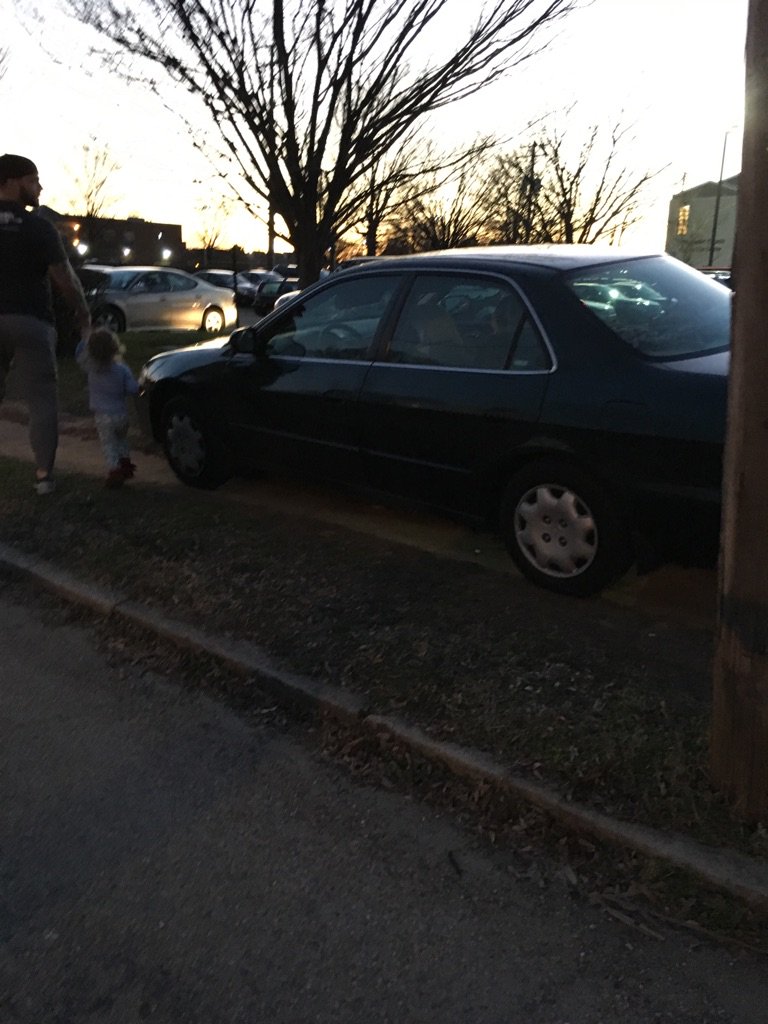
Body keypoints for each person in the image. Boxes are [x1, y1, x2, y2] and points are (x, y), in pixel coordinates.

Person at [0, 153, 91, 494]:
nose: (39, 187)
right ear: (10, 182)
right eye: (33, 180)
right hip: (31, 322)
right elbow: (63, 277)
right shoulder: (38, 227)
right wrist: (83, 314)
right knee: (41, 400)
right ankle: (43, 477)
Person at [75, 327, 139, 488]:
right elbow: (133, 389)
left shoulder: (91, 371)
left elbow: (79, 354)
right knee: (122, 440)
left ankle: (114, 470)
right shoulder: (122, 369)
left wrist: (85, 336)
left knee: (109, 444)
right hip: (121, 414)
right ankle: (125, 465)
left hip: (103, 417)